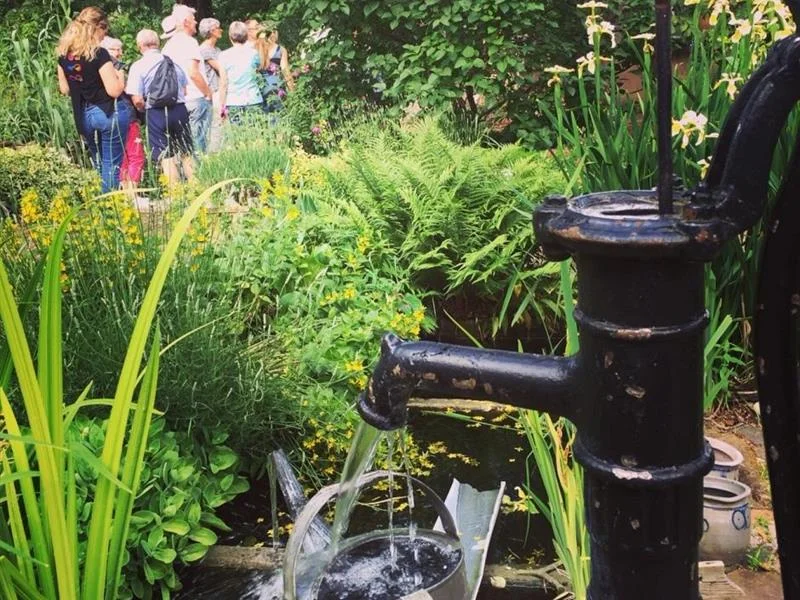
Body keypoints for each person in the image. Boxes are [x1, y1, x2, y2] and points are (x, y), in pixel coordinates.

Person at [56, 6, 134, 193]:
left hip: (83, 115)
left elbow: (65, 89)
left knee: (99, 163)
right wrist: (120, 74)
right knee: (112, 165)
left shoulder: (64, 55)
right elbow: (114, 90)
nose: (103, 37)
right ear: (97, 27)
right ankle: (110, 208)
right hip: (107, 112)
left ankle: (102, 205)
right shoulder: (99, 53)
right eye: (104, 30)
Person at [126, 28, 194, 185]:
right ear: (157, 43)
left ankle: (175, 194)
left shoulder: (138, 66)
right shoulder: (173, 62)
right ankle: (196, 188)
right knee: (186, 151)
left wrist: (144, 109)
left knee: (166, 156)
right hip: (179, 110)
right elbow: (184, 89)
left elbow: (136, 99)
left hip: (156, 113)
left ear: (140, 45)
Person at [162, 4, 214, 155]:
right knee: (199, 143)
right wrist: (208, 93)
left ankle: (187, 176)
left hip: (177, 101)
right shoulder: (189, 42)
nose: (196, 22)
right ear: (185, 22)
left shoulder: (168, 46)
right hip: (195, 97)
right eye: (193, 19)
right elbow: (193, 72)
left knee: (183, 144)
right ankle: (201, 175)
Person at [102, 37, 146, 204]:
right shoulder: (116, 69)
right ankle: (132, 194)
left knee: (121, 157)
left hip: (109, 118)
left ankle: (125, 193)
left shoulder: (96, 70)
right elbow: (126, 91)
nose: (119, 53)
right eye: (115, 49)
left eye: (120, 49)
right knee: (136, 155)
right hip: (126, 117)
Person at [218, 21, 263, 125]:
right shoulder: (254, 54)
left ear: (230, 36)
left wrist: (222, 107)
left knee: (238, 137)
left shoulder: (223, 56)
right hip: (253, 99)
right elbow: (259, 70)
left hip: (233, 102)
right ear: (246, 35)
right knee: (256, 137)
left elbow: (223, 83)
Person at [198, 17, 228, 152]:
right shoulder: (205, 49)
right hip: (213, 91)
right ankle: (214, 154)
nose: (220, 30)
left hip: (220, 90)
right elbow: (222, 68)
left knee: (222, 124)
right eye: (218, 28)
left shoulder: (216, 49)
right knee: (217, 123)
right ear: (211, 31)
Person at [255, 23, 295, 116]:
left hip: (259, 90)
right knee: (279, 117)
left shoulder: (254, 50)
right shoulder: (280, 50)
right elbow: (286, 73)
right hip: (277, 88)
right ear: (273, 33)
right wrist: (293, 92)